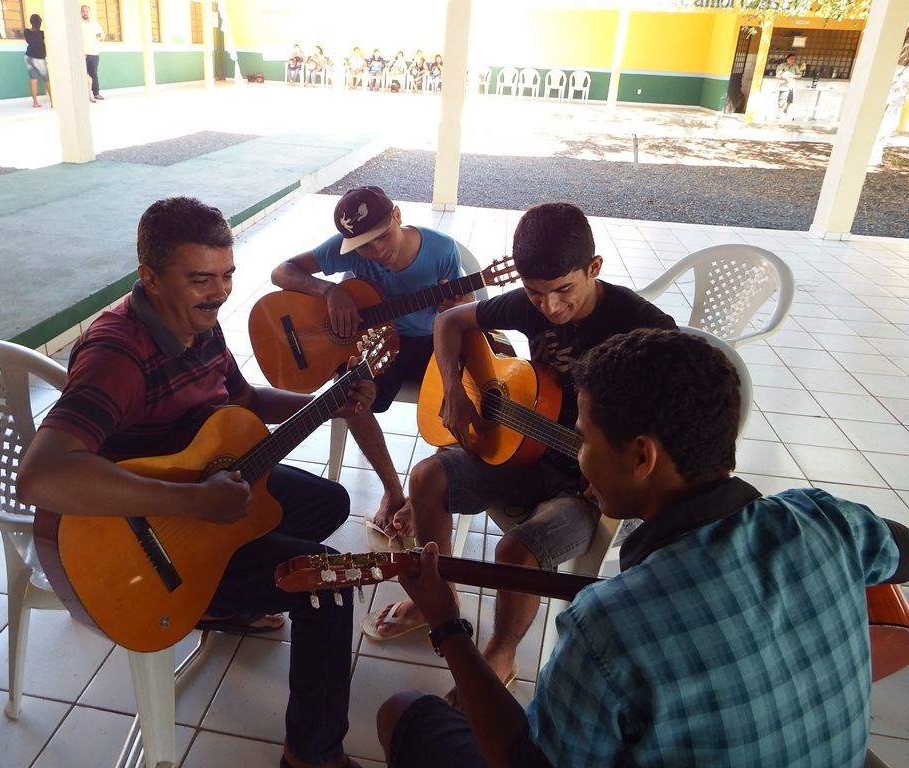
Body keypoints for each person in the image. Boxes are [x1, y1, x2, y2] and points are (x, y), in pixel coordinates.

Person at [377, 327, 909, 768]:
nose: (580, 458)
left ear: (641, 458)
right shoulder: (825, 518)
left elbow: (525, 761)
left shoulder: (607, 625)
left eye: (586, 439)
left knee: (402, 712)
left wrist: (447, 624)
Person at [16, 197, 372, 768]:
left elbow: (246, 400)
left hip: (189, 502)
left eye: (227, 275)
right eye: (200, 278)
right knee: (325, 585)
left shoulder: (199, 327)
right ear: (150, 278)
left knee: (326, 500)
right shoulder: (117, 354)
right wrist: (194, 501)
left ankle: (218, 599)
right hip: (140, 542)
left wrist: (324, 404)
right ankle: (312, 754)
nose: (219, 292)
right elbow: (40, 476)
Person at [362, 203, 676, 697]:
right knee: (425, 479)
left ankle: (501, 653)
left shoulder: (645, 330)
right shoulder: (528, 303)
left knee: (515, 551)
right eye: (535, 293)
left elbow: (672, 428)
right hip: (527, 451)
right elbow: (450, 324)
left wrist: (620, 474)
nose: (548, 307)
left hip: (591, 488)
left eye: (563, 291)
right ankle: (437, 601)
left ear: (594, 268)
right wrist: (453, 394)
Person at [270, 185, 471, 546]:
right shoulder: (345, 248)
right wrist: (330, 291)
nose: (376, 251)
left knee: (463, 390)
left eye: (382, 237)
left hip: (429, 341)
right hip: (376, 345)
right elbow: (282, 272)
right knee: (348, 394)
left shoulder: (441, 249)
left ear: (397, 215)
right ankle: (394, 492)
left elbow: (459, 309)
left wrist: (456, 306)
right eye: (364, 246)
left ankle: (428, 492)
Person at [23, 14, 52, 108]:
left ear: (31, 22)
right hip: (39, 59)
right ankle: (53, 101)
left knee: (33, 79)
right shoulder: (42, 34)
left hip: (28, 57)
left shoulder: (26, 32)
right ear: (40, 23)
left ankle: (35, 102)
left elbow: (30, 42)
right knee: (47, 80)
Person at [80, 4, 104, 102]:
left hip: (94, 53)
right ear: (80, 12)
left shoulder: (95, 24)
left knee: (93, 74)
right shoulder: (78, 24)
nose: (85, 13)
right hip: (82, 54)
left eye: (87, 11)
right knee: (83, 75)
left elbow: (102, 35)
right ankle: (85, 95)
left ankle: (96, 93)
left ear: (89, 13)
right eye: (83, 11)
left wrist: (100, 36)